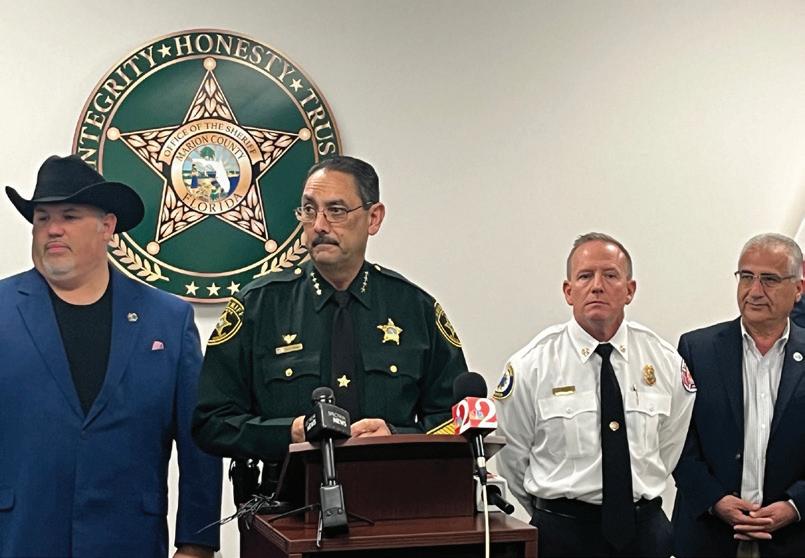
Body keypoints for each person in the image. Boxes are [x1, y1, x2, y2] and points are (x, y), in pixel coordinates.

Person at [192, 155, 467, 494]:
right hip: (287, 505)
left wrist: (397, 437)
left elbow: (458, 419)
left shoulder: (414, 309)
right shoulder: (258, 307)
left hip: (394, 500)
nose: (320, 225)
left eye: (336, 211)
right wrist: (289, 432)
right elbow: (210, 423)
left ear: (374, 218)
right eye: (309, 210)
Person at [0, 155, 222, 557]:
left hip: (129, 541)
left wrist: (197, 544)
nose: (52, 229)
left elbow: (199, 441)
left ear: (107, 226)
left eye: (69, 216)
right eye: (42, 218)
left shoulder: (168, 320)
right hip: (19, 538)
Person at [495, 232, 696, 558]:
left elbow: (670, 444)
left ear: (630, 290)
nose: (597, 286)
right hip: (562, 535)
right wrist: (554, 511)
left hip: (644, 533)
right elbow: (512, 455)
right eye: (585, 276)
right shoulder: (532, 364)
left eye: (611, 275)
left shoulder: (664, 361)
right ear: (568, 291)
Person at [672, 233, 805, 557]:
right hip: (709, 536)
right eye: (746, 277)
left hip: (793, 539)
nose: (754, 291)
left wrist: (795, 505)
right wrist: (715, 500)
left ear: (798, 289)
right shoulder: (697, 350)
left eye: (769, 279)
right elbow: (676, 440)